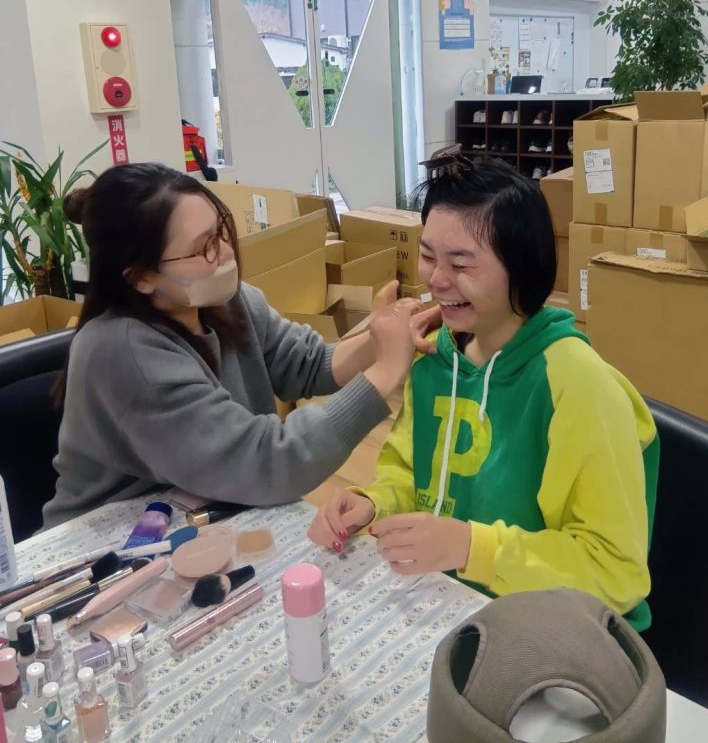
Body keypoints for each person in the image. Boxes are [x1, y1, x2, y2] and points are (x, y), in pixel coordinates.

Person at [309, 155, 659, 631]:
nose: (436, 279)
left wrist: (473, 548)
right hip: (450, 607)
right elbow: (411, 475)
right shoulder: (436, 360)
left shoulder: (579, 385)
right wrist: (374, 503)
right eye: (428, 256)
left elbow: (615, 571)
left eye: (460, 264)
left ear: (522, 268)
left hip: (550, 632)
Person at [43, 162, 436, 528]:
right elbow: (269, 462)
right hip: (114, 539)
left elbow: (307, 363)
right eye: (205, 248)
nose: (227, 253)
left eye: (222, 231)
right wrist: (385, 371)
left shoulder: (222, 299)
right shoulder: (125, 354)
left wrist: (378, 336)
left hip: (200, 509)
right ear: (142, 278)